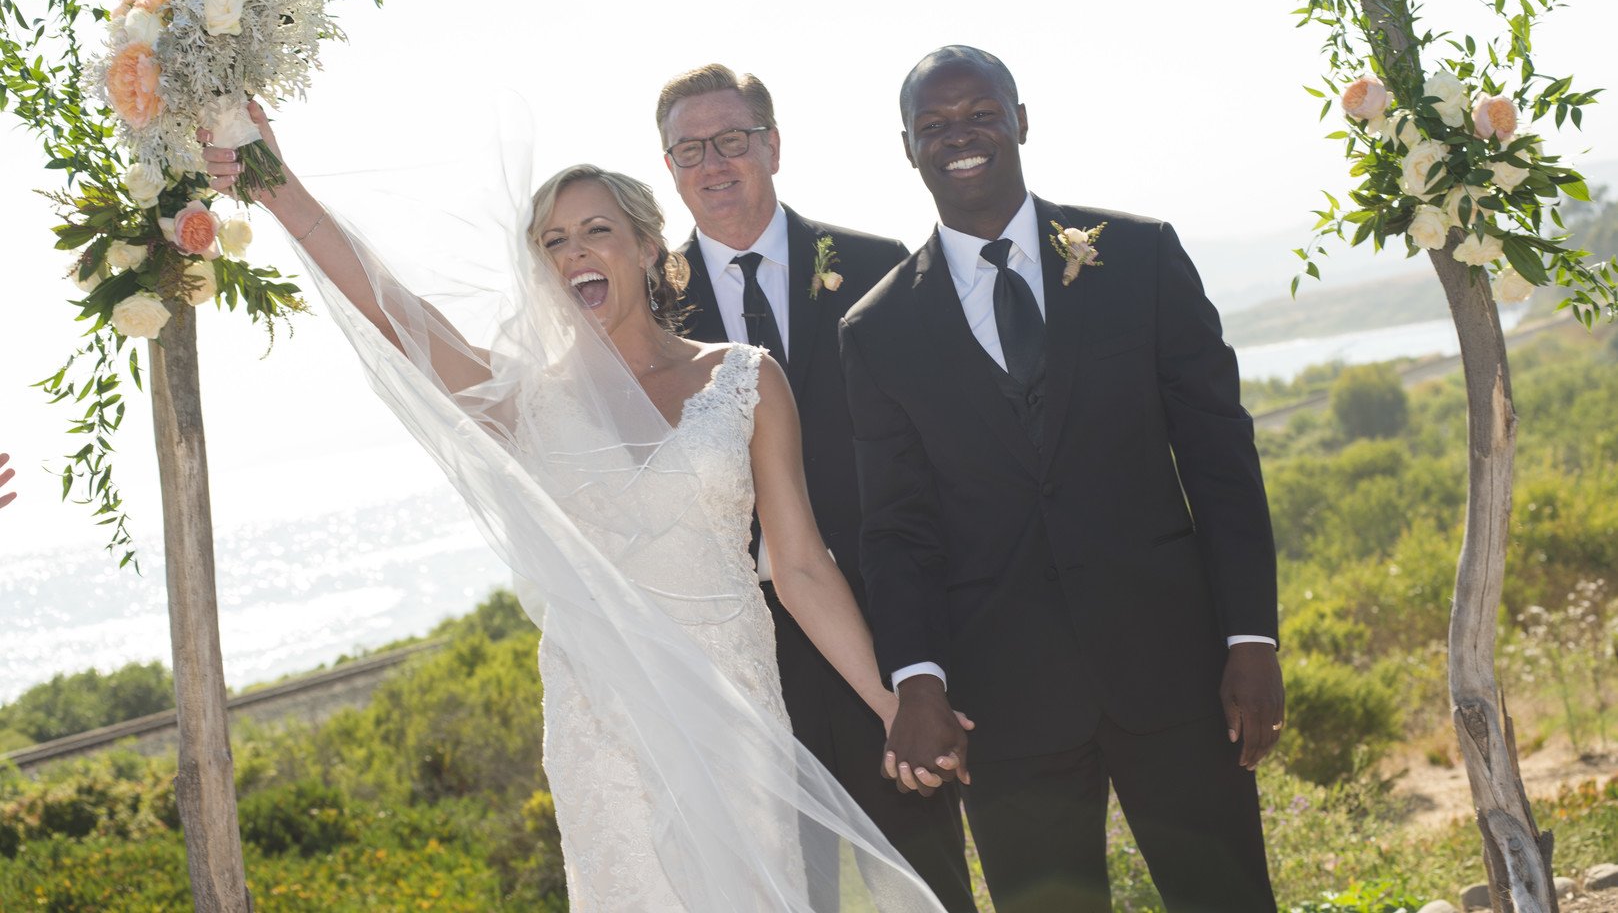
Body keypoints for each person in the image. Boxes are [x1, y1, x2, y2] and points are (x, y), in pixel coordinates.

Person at [199, 107, 950, 911]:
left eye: (594, 232)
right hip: (604, 720)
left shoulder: (743, 378)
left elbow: (800, 565)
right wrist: (278, 189)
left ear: (647, 246)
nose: (574, 254)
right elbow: (396, 312)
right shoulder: (527, 400)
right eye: (553, 243)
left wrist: (892, 705)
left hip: (733, 702)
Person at [839, 45, 1285, 913]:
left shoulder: (1143, 259)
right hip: (1004, 706)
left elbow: (1221, 461)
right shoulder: (877, 329)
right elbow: (897, 527)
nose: (958, 137)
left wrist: (1250, 639)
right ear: (907, 147)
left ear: (1021, 121)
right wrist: (918, 680)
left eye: (979, 114)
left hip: (1174, 672)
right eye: (934, 125)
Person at [658, 63, 975, 912]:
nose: (713, 164)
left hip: (885, 639)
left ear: (772, 146)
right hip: (744, 670)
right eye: (690, 150)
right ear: (669, 167)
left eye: (732, 140)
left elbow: (943, 464)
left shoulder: (882, 267)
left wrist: (924, 667)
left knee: (927, 888)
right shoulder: (649, 310)